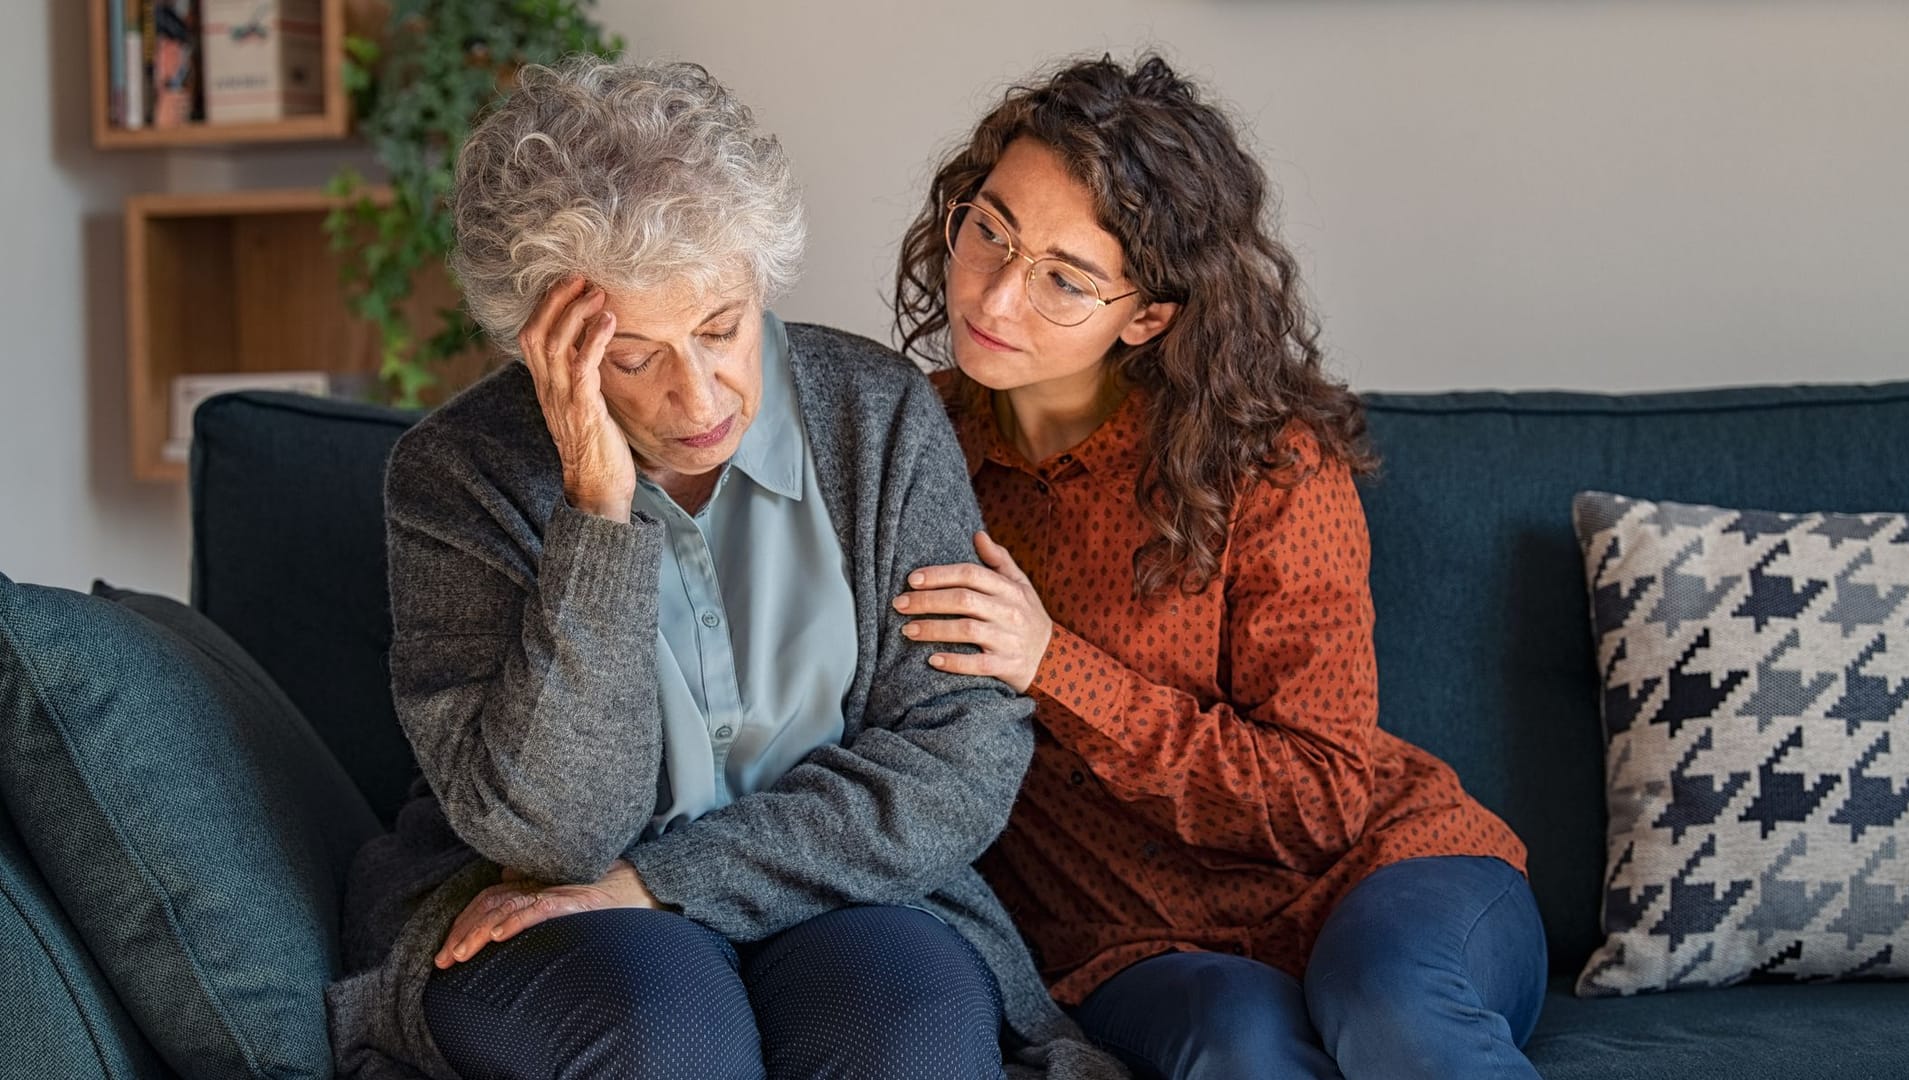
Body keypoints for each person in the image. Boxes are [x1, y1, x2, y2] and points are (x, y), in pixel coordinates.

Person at [325, 56, 1127, 1080]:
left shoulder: (875, 420)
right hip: (536, 904)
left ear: (760, 282)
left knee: (906, 1040)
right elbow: (555, 836)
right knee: (670, 1040)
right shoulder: (458, 477)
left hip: (850, 889)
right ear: (544, 346)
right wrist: (597, 517)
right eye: (631, 356)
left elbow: (954, 761)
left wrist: (665, 882)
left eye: (719, 329)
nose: (698, 399)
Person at [891, 54, 1548, 1079]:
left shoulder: (1267, 466)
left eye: (1064, 277)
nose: (999, 293)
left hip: (1386, 876)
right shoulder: (906, 449)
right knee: (1242, 1049)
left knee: (1394, 1014)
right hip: (1129, 943)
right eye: (990, 229)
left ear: (1147, 315)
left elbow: (1325, 797)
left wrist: (1051, 664)